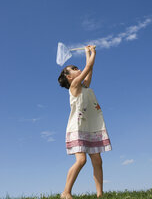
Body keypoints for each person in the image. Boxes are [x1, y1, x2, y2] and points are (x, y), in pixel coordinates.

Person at [58, 45, 112, 199]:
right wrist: (92, 52)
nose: (78, 69)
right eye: (74, 68)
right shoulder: (74, 86)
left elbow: (89, 70)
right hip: (78, 128)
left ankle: (100, 194)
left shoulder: (84, 86)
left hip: (91, 128)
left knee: (97, 161)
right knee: (81, 160)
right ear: (69, 77)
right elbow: (88, 67)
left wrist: (87, 52)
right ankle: (66, 192)